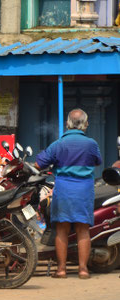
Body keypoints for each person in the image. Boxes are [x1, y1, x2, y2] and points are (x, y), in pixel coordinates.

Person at [35, 108, 102, 279]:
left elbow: (39, 164)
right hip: (84, 190)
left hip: (63, 190)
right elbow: (97, 161)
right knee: (83, 230)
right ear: (85, 125)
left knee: (62, 230)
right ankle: (83, 270)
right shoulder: (91, 144)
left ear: (67, 124)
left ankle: (61, 270)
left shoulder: (58, 144)